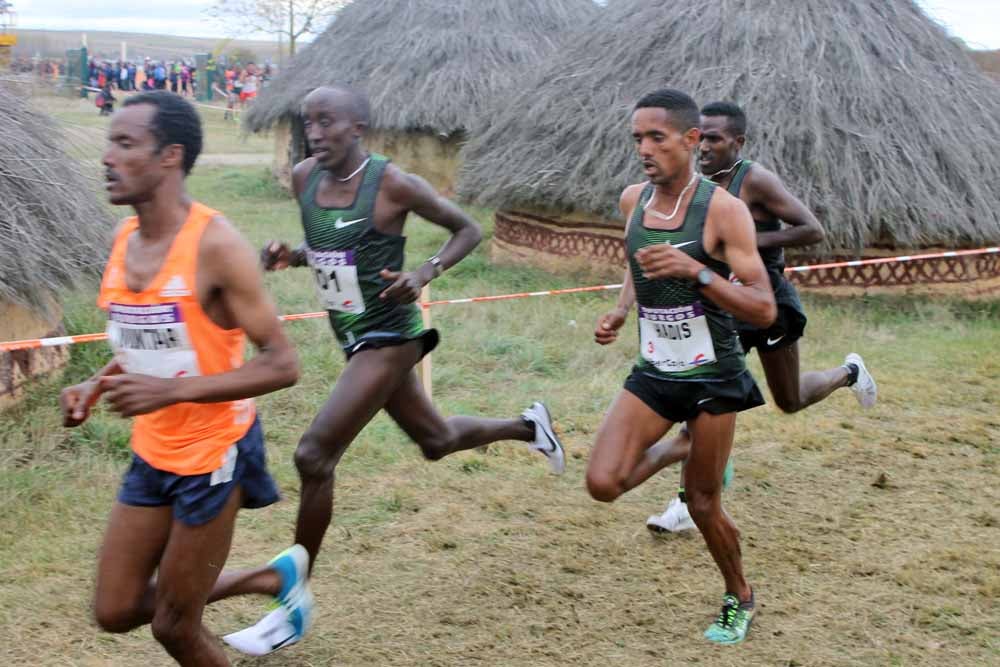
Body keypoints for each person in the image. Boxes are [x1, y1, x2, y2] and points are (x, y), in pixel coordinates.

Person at [223, 85, 565, 656]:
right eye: (309, 122)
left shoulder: (394, 183)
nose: (316, 131)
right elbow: (342, 248)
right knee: (436, 440)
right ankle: (531, 428)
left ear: (358, 125)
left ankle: (292, 601)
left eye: (328, 121)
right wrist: (296, 256)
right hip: (352, 335)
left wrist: (423, 273)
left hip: (390, 336)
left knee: (313, 456)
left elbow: (468, 230)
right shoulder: (306, 177)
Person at [61, 91, 310, 666]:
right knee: (116, 609)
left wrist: (170, 392)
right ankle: (267, 578)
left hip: (214, 454)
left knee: (174, 625)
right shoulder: (125, 240)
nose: (107, 156)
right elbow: (143, 343)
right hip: (154, 452)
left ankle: (254, 583)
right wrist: (95, 383)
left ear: (170, 155)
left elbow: (283, 363)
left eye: (125, 143)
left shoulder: (216, 246)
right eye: (109, 141)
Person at [588, 88, 776, 644]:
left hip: (713, 377)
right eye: (638, 139)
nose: (644, 149)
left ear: (691, 140)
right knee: (602, 483)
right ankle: (681, 444)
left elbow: (764, 308)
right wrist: (622, 310)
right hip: (654, 369)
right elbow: (637, 264)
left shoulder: (724, 210)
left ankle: (739, 595)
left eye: (657, 138)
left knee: (701, 503)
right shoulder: (632, 201)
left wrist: (696, 272)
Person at [645, 102, 878, 533]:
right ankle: (688, 502)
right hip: (719, 307)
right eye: (702, 137)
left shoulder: (754, 179)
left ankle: (849, 372)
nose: (706, 146)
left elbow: (811, 228)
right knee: (704, 398)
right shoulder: (694, 183)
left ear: (738, 142)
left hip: (766, 302)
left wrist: (747, 240)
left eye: (716, 138)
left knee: (789, 400)